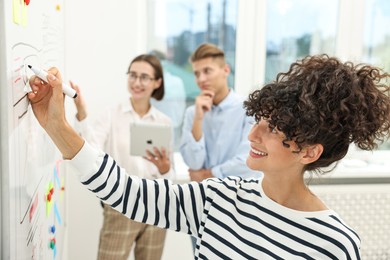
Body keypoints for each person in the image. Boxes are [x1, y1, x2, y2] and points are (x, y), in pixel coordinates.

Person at [27, 54, 390, 259]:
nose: (253, 134)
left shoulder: (335, 243)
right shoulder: (222, 197)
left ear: (310, 151)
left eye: (272, 129)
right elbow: (128, 192)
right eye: (259, 120)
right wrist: (58, 127)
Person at [69, 54, 174, 260]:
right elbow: (91, 150)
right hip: (121, 204)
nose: (136, 82)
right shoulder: (111, 115)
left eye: (144, 77)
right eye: (132, 75)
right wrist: (82, 113)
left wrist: (164, 168)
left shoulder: (164, 121)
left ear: (157, 82)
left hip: (156, 205)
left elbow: (169, 177)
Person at [180, 43, 262, 183]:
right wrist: (198, 120)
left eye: (207, 71)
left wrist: (209, 175)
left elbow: (248, 160)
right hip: (203, 197)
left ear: (225, 70)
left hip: (240, 195)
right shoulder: (192, 113)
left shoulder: (248, 108)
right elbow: (193, 164)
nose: (201, 79)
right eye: (197, 73)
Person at [149, 50, 186, 148]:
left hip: (170, 129)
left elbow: (180, 109)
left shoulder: (176, 82)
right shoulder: (177, 82)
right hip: (153, 129)